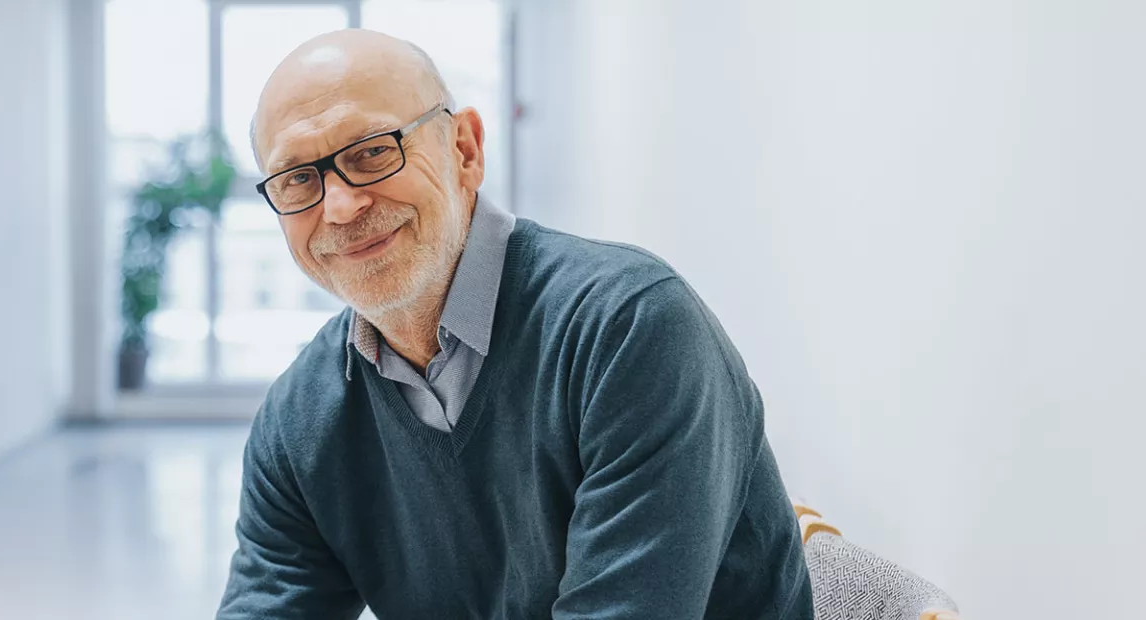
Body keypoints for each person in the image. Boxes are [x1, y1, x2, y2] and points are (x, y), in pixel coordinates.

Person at [217, 29, 814, 619]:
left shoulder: (628, 328)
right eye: (297, 178)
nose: (341, 205)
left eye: (372, 150)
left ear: (465, 151)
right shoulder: (300, 420)